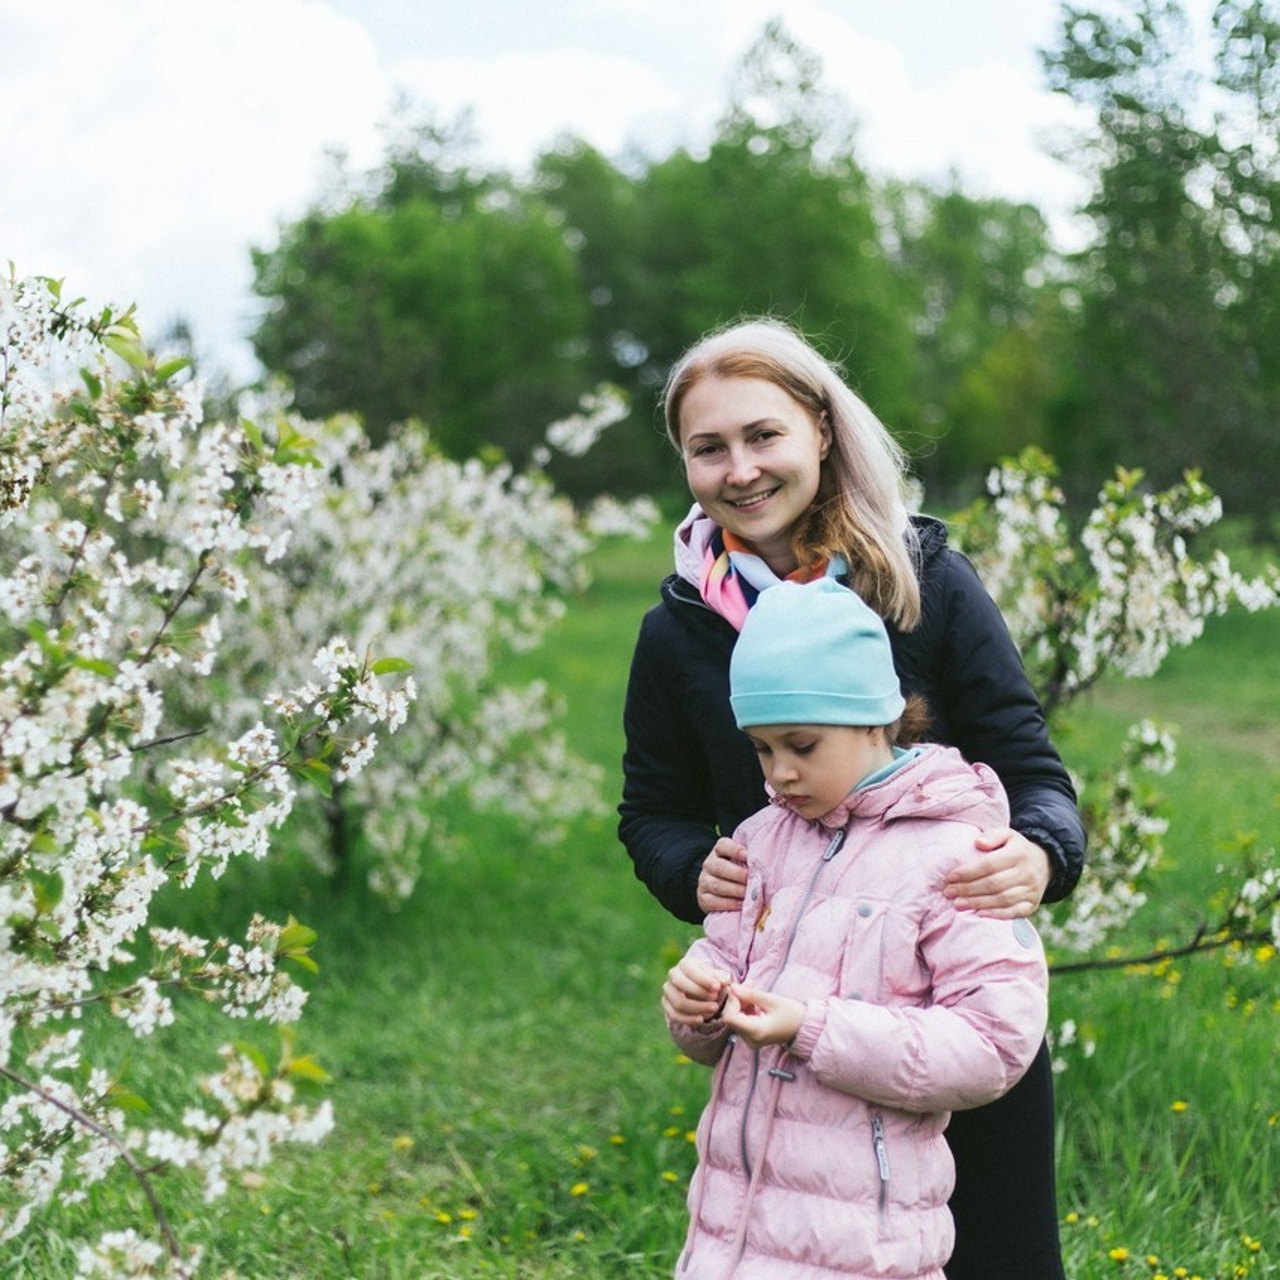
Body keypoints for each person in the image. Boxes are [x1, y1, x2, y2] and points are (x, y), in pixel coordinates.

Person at [619, 317, 1086, 1278]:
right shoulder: (677, 630)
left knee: (995, 1255)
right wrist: (685, 867)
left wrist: (1041, 851)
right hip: (789, 1026)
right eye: (709, 449)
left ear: (821, 433)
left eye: (764, 436)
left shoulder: (924, 584)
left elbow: (1031, 766)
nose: (740, 469)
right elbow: (653, 808)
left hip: (943, 998)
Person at [663, 577, 1050, 1278]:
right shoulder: (762, 843)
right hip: (729, 1238)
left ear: (876, 719)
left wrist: (811, 1027)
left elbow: (996, 1042)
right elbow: (715, 1007)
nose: (779, 774)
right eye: (760, 749)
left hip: (864, 1250)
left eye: (802, 746)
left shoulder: (957, 853)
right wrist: (697, 1006)